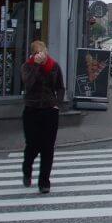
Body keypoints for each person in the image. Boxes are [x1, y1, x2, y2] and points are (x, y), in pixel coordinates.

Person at [20, 40, 65, 194]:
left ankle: (44, 182)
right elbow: (28, 84)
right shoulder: (27, 66)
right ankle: (27, 169)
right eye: (37, 53)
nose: (41, 55)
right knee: (32, 145)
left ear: (46, 51)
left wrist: (57, 104)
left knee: (48, 147)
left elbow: (60, 87)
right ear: (33, 54)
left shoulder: (54, 66)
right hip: (31, 109)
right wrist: (36, 65)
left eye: (43, 52)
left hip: (50, 110)